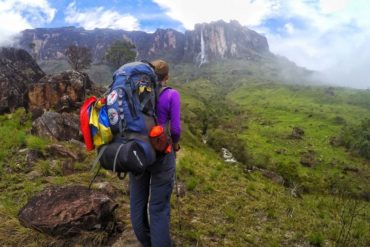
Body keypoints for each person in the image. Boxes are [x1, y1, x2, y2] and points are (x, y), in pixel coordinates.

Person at [129, 59, 181, 247]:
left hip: (137, 153)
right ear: (166, 76)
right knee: (158, 208)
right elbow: (175, 130)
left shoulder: (135, 92)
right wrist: (175, 144)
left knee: (137, 203)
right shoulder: (171, 94)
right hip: (161, 155)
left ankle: (147, 241)